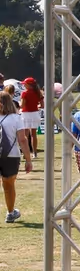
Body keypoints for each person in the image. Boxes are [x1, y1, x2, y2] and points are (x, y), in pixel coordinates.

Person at [0, 92, 33, 223]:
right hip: (11, 155)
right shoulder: (16, 118)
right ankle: (10, 212)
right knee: (8, 185)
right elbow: (22, 140)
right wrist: (28, 160)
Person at [18, 77, 42, 158]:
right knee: (33, 134)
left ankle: (26, 152)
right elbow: (42, 105)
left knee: (25, 135)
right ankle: (34, 153)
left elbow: (22, 105)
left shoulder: (25, 93)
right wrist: (36, 106)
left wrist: (18, 104)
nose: (24, 85)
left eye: (25, 84)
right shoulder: (38, 92)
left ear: (29, 85)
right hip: (35, 114)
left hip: (26, 114)